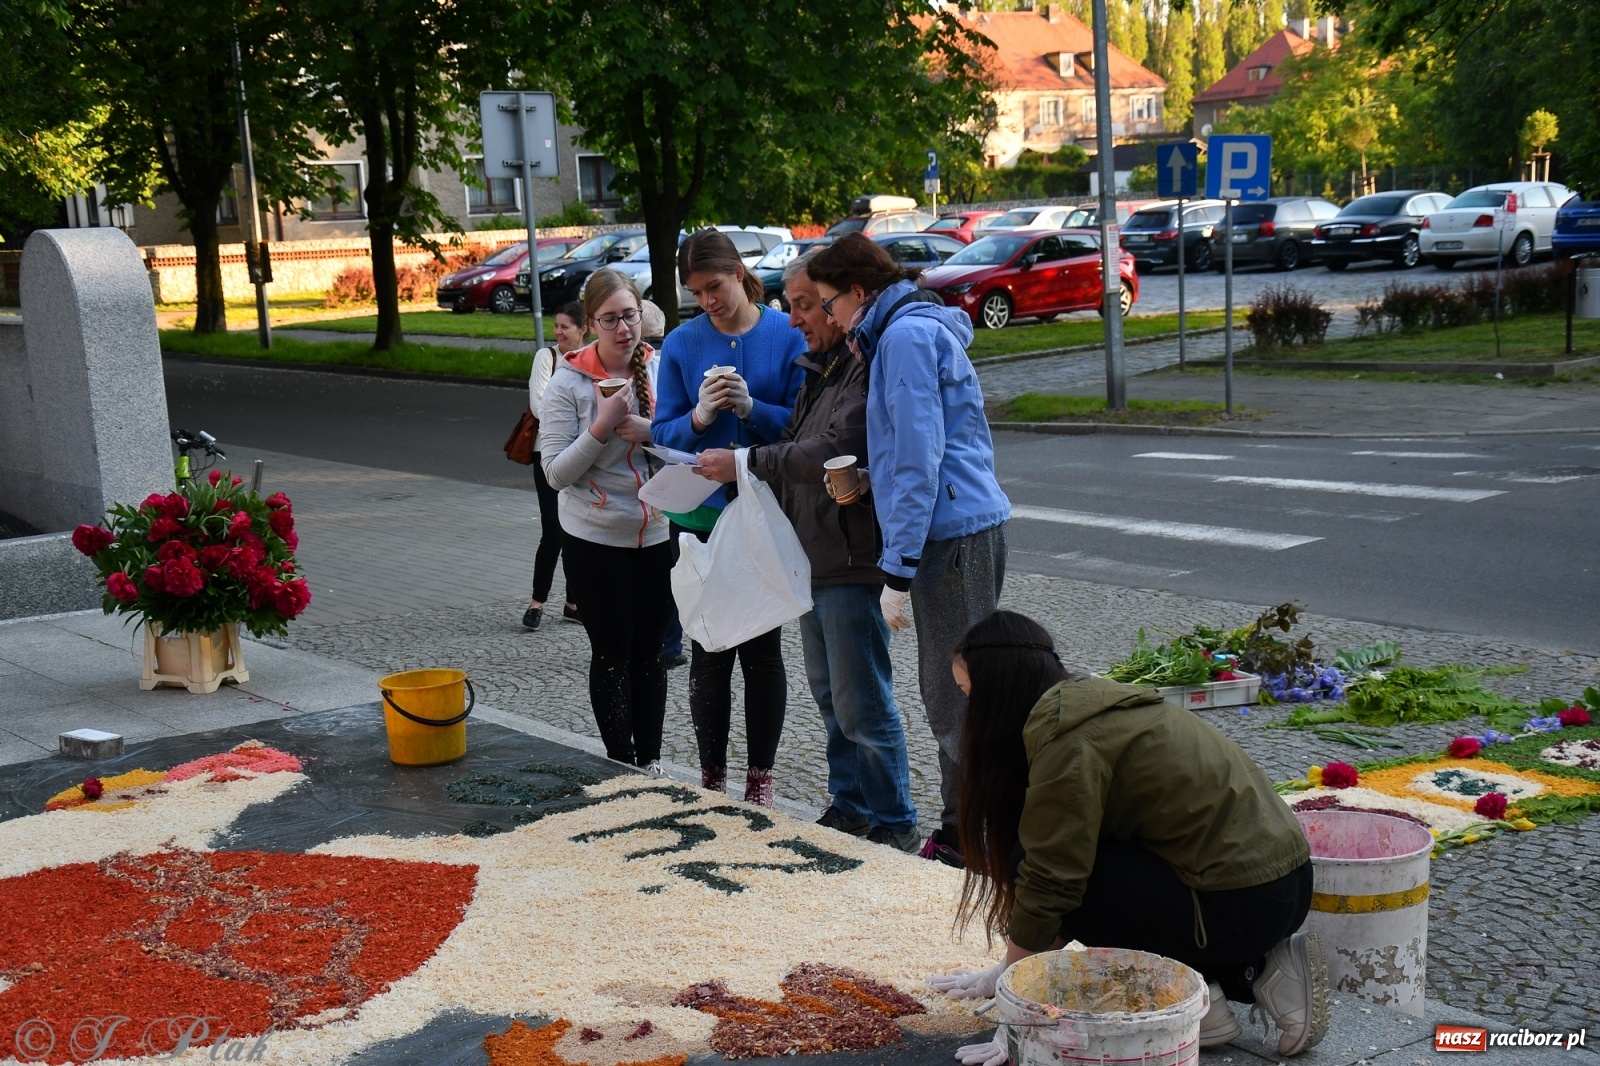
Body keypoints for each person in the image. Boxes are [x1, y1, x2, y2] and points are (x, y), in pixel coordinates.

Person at [929, 610, 1330, 1064]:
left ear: (998, 695)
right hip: (1283, 883)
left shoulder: (1068, 739)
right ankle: (1247, 976)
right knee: (1073, 856)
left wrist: (1017, 1008)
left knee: (1037, 862)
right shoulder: (1095, 702)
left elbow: (1051, 878)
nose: (967, 712)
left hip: (1243, 903)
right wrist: (999, 972)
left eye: (968, 695)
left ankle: (1215, 992)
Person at [693, 251, 918, 851]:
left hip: (851, 559)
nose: (794, 319)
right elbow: (797, 439)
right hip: (815, 555)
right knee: (831, 697)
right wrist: (744, 420)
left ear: (840, 301)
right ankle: (849, 807)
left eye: (803, 305)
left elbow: (829, 446)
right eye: (790, 305)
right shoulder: (822, 365)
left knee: (861, 698)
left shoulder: (863, 362)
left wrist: (742, 460)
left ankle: (894, 821)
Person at [805, 232, 1010, 865]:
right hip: (953, 526)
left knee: (955, 692)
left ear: (860, 292)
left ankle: (966, 837)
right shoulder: (901, 331)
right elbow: (913, 451)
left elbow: (923, 461)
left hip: (952, 534)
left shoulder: (905, 337)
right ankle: (964, 829)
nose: (828, 316)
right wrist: (872, 481)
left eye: (828, 301)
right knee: (953, 688)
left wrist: (897, 569)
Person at [652, 229, 806, 806]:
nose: (707, 301)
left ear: (739, 272)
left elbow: (802, 427)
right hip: (700, 519)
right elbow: (662, 433)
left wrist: (750, 407)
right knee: (708, 648)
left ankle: (760, 780)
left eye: (714, 286)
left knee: (763, 652)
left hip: (763, 515)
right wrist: (696, 417)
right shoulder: (684, 343)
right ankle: (712, 775)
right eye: (696, 292)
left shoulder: (784, 334)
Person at [537, 270, 671, 772]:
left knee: (650, 653)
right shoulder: (568, 383)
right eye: (610, 319)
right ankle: (621, 760)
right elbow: (554, 474)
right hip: (594, 537)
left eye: (630, 316)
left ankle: (651, 761)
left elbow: (680, 448)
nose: (623, 329)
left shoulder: (658, 369)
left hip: (656, 532)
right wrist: (600, 427)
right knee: (613, 653)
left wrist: (653, 431)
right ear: (592, 322)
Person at [524, 301, 587, 630]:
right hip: (547, 452)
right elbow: (539, 407)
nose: (558, 332)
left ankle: (573, 602)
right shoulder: (545, 358)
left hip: (584, 454)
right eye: (556, 325)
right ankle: (537, 602)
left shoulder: (591, 359)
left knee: (577, 528)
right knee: (553, 528)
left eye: (565, 326)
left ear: (583, 329)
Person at [641, 302, 687, 671]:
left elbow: (670, 427)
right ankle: (664, 643)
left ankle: (668, 644)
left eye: (658, 340)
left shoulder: (660, 366)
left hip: (665, 476)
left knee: (669, 570)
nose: (655, 348)